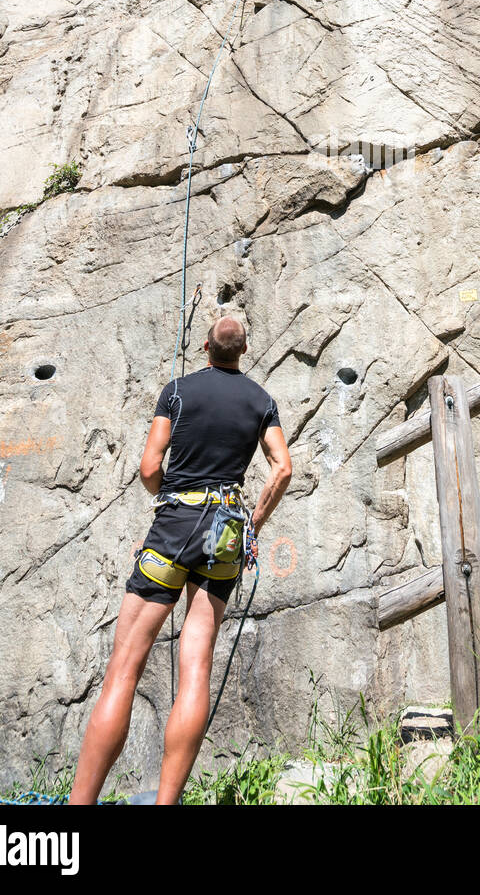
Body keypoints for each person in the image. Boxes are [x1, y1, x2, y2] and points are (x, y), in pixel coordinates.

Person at [68, 316, 291, 806]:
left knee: (123, 670)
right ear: (244, 351)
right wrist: (253, 522)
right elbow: (283, 467)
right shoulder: (262, 400)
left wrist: (164, 494)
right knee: (196, 669)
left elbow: (150, 466)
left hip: (176, 522)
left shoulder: (178, 391)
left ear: (206, 347)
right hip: (226, 531)